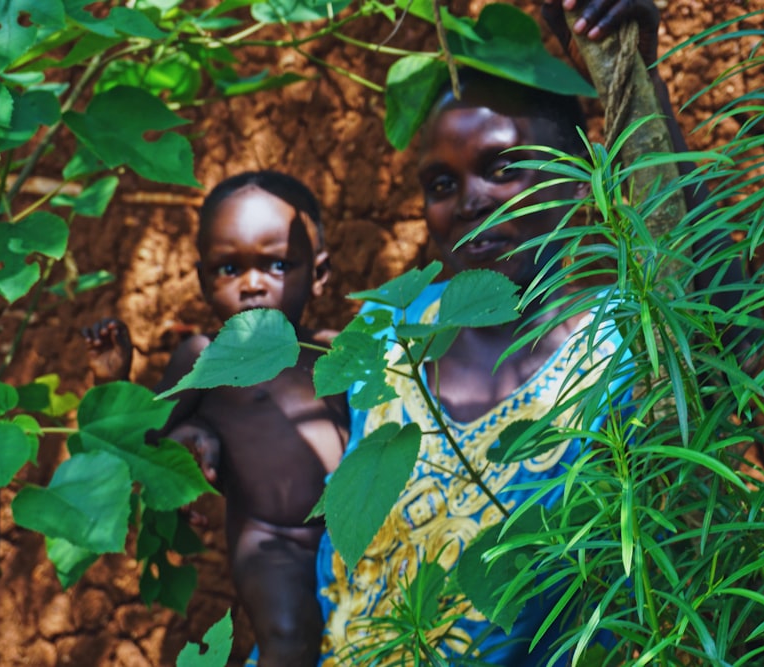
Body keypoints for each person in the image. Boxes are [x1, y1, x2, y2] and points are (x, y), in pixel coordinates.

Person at [313, 0, 721, 664]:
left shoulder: (627, 339)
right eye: (442, 182)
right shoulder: (388, 332)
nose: (469, 199)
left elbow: (723, 318)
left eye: (503, 167)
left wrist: (634, 81)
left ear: (582, 168)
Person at [83, 170, 348, 667]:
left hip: (355, 527)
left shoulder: (335, 349)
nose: (251, 285)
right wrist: (114, 380)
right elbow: (141, 439)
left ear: (318, 273)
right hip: (275, 539)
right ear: (203, 279)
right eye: (229, 269)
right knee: (290, 639)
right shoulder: (204, 358)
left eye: (275, 264)